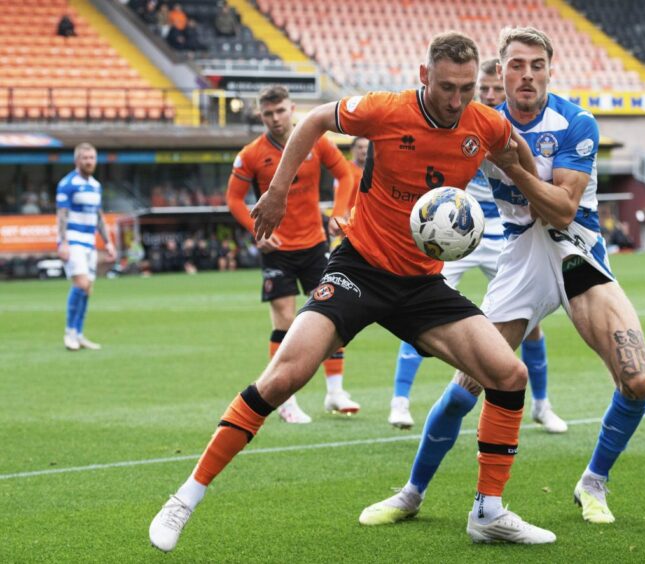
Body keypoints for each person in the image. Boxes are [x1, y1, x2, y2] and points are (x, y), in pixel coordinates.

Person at [149, 31, 556, 551]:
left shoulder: (484, 122)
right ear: (424, 76)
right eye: (447, 88)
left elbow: (513, 151)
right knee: (285, 376)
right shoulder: (386, 111)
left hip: (422, 284)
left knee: (508, 373)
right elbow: (317, 120)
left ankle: (489, 512)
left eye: (467, 89)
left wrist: (533, 186)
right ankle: (185, 497)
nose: (457, 101)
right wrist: (275, 192)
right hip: (359, 270)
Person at [360, 26, 645, 529]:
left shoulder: (575, 123)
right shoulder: (478, 124)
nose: (527, 75)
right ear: (500, 70)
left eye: (537, 65)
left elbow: (562, 211)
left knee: (637, 379)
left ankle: (593, 482)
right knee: (464, 388)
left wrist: (515, 167)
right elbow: (428, 173)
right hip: (518, 258)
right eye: (517, 65)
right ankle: (411, 493)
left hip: (576, 253)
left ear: (549, 70)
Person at [386, 58, 565, 434]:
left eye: (494, 90)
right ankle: (400, 402)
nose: (486, 96)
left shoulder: (505, 130)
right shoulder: (458, 123)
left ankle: (543, 404)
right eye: (481, 89)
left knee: (528, 322)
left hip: (501, 230)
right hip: (449, 232)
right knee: (418, 310)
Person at [226, 84, 360, 424]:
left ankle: (335, 391)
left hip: (315, 245)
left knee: (332, 319)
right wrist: (257, 233)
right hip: (278, 248)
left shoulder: (314, 140)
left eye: (280, 110)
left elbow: (345, 175)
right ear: (261, 115)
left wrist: (340, 213)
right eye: (268, 113)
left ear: (292, 109)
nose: (275, 118)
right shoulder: (252, 154)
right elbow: (233, 199)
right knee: (285, 322)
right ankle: (286, 400)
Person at [56, 143, 117, 351]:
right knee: (80, 284)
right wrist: (62, 242)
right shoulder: (67, 184)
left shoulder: (96, 185)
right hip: (73, 240)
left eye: (92, 158)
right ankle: (69, 333)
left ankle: (79, 333)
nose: (89, 161)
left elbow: (98, 216)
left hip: (89, 241)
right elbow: (62, 215)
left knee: (88, 289)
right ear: (77, 160)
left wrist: (108, 242)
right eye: (85, 158)